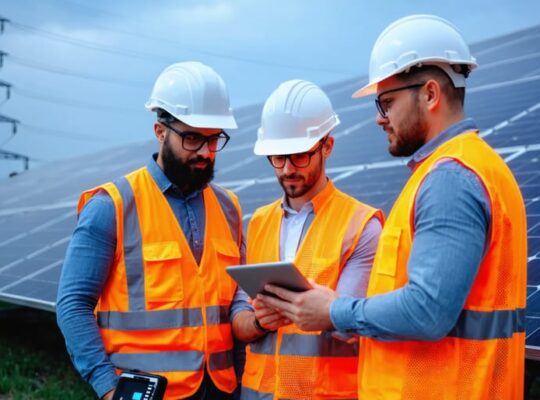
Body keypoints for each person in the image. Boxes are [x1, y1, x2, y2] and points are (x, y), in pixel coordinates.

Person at [257, 15, 527, 399]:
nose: (379, 118)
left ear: (430, 94)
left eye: (387, 102)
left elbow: (428, 312)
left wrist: (335, 311)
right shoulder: (465, 168)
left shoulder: (451, 179)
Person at [57, 62, 251, 400]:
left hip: (222, 390)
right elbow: (73, 305)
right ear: (160, 131)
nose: (206, 151)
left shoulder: (229, 208)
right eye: (193, 138)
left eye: (214, 139)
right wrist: (107, 388)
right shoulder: (112, 206)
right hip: (143, 393)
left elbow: (236, 300)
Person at [231, 80, 383, 399]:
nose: (287, 169)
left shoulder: (361, 226)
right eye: (277, 157)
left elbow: (355, 326)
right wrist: (260, 322)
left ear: (327, 146)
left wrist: (316, 309)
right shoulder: (258, 223)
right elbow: (240, 323)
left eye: (299, 156)